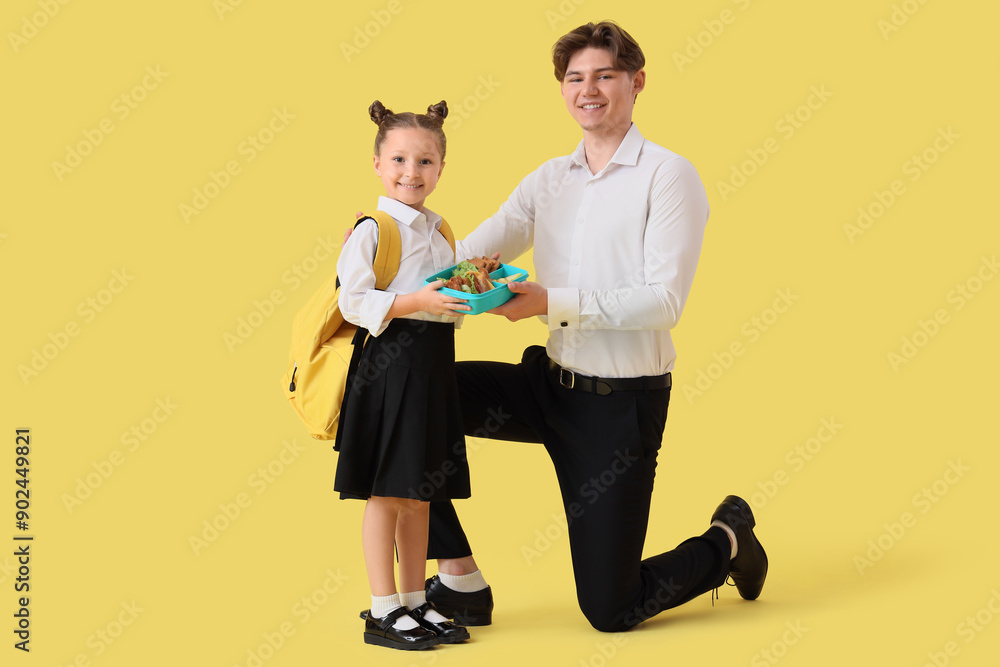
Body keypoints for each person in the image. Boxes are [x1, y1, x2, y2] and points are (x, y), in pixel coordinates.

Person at [419, 21, 769, 632]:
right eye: (575, 78)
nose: (589, 89)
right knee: (401, 397)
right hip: (547, 386)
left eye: (604, 75)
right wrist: (382, 251)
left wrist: (548, 301)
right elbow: (464, 256)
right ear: (562, 89)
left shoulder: (668, 176)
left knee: (611, 607)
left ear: (636, 82)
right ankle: (459, 580)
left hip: (618, 409)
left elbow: (664, 302)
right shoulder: (549, 179)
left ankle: (728, 542)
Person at [334, 99, 475, 650]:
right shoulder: (374, 229)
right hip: (391, 369)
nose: (410, 173)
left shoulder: (441, 231)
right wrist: (417, 299)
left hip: (432, 367)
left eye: (424, 162)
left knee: (421, 492)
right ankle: (383, 607)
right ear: (376, 163)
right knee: (386, 493)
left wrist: (477, 294)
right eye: (398, 160)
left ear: (441, 168)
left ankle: (416, 601)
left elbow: (444, 298)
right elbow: (354, 301)